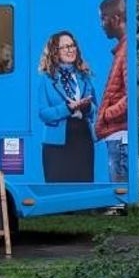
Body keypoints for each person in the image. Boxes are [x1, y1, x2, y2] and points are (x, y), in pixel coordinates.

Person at [38, 31, 96, 182]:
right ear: (55, 52)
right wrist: (68, 108)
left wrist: (87, 108)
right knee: (58, 189)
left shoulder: (84, 76)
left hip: (83, 139)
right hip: (57, 144)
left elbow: (96, 108)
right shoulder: (46, 79)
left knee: (83, 188)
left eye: (72, 45)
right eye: (65, 47)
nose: (71, 50)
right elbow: (44, 113)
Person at [96, 0, 129, 182]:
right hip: (117, 135)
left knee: (118, 189)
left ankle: (119, 209)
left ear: (116, 19)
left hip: (119, 134)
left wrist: (108, 114)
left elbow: (129, 96)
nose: (101, 24)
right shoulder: (121, 50)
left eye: (103, 18)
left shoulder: (125, 52)